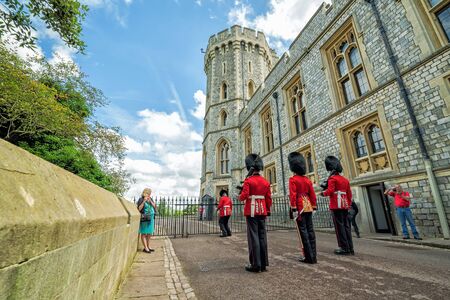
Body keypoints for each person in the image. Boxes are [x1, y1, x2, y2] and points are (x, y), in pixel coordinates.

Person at [239, 153, 272, 272]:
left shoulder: (249, 181)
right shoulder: (265, 181)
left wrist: (240, 195)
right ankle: (263, 264)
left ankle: (255, 264)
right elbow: (268, 199)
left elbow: (244, 196)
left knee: (253, 237)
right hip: (262, 210)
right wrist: (267, 210)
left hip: (252, 211)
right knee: (262, 236)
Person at [320, 156, 354, 255]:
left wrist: (322, 193)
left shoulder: (332, 179)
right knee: (347, 226)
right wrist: (347, 205)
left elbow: (330, 191)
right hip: (345, 205)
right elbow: (349, 194)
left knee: (339, 227)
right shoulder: (345, 179)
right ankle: (350, 248)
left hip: (336, 205)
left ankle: (344, 248)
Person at [288, 152, 317, 264]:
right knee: (310, 231)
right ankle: (313, 256)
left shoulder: (293, 179)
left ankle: (308, 257)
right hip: (308, 206)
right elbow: (312, 194)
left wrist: (294, 209)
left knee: (303, 232)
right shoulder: (307, 180)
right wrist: (314, 207)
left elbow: (293, 195)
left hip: (300, 207)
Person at [137, 188, 157, 253]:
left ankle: (148, 246)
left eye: (150, 194)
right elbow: (139, 209)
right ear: (145, 193)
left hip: (151, 218)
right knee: (144, 233)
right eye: (148, 193)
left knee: (149, 233)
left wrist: (150, 201)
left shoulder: (151, 199)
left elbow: (155, 206)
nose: (149, 195)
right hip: (145, 218)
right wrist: (144, 201)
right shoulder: (141, 199)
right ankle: (145, 248)